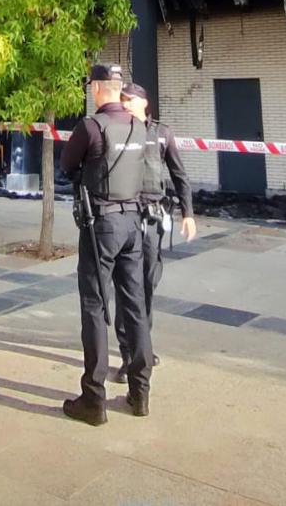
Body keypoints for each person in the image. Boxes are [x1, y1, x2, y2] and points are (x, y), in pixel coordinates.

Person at [59, 63, 152, 426]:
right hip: (134, 222)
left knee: (95, 306)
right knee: (135, 305)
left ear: (98, 88)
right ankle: (140, 392)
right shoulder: (139, 126)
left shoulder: (91, 126)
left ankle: (93, 399)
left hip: (102, 224)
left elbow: (67, 164)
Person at [113, 81, 197, 385]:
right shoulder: (116, 130)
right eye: (121, 100)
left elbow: (179, 174)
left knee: (147, 281)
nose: (124, 105)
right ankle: (129, 354)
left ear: (144, 103)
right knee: (126, 282)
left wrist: (188, 213)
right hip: (124, 214)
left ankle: (143, 345)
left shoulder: (162, 133)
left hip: (152, 216)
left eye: (129, 100)